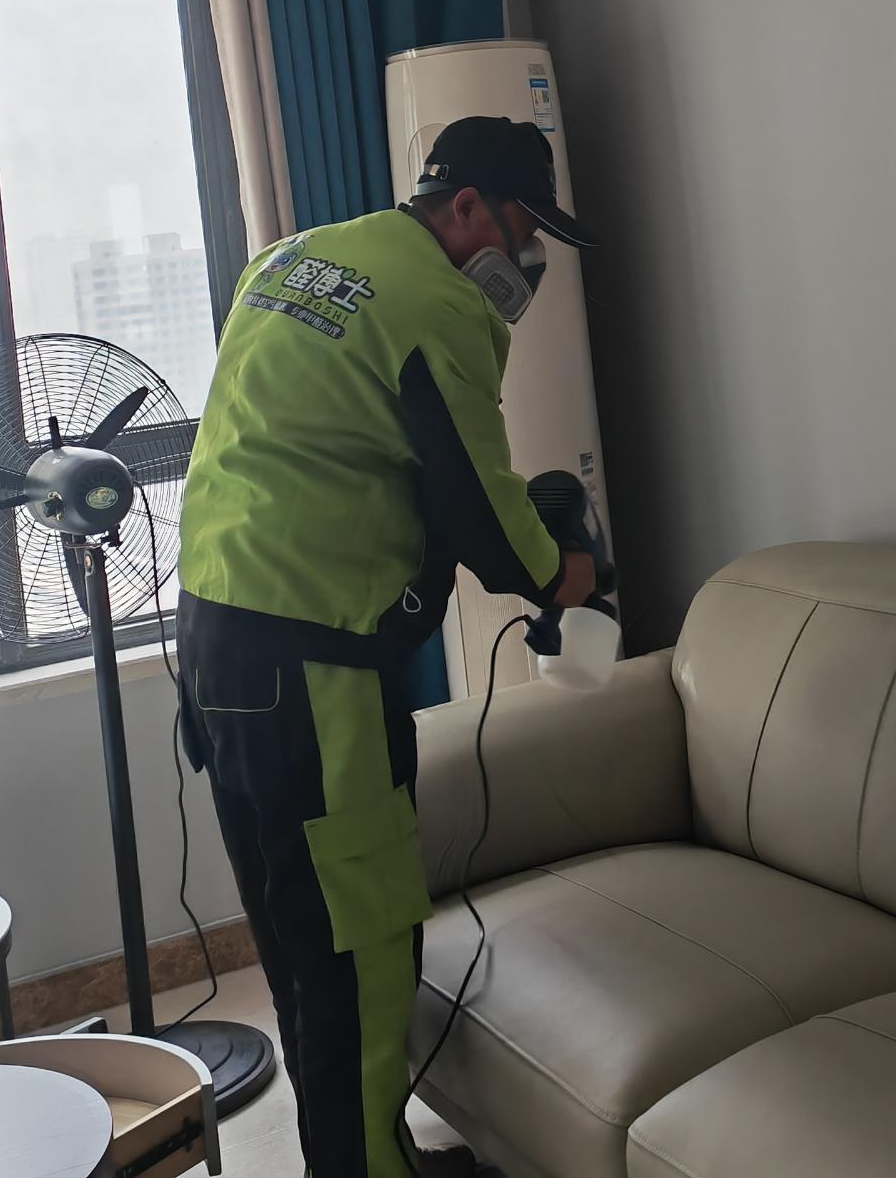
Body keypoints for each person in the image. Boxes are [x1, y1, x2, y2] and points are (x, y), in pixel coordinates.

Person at [176, 115, 601, 1178]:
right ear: (465, 205)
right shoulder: (435, 304)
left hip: (218, 643)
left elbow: (325, 443)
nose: (527, 261)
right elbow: (484, 516)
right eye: (522, 230)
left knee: (296, 932)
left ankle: (356, 1156)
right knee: (359, 945)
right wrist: (567, 573)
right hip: (312, 665)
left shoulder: (288, 261)